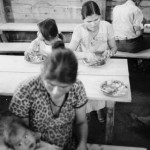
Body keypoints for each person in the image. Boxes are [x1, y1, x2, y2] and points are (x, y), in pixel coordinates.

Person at [9, 41, 88, 150]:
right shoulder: (26, 91)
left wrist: (82, 144)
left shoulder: (77, 87)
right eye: (51, 84)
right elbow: (20, 136)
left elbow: (81, 122)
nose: (56, 92)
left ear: (73, 81)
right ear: (42, 74)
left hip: (68, 145)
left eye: (64, 87)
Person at [69, 0, 117, 122]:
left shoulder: (107, 26)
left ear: (100, 16)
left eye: (96, 20)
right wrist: (86, 55)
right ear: (83, 19)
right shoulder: (79, 29)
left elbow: (114, 47)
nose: (93, 24)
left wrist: (110, 52)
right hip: (85, 64)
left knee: (102, 86)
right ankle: (87, 110)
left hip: (103, 64)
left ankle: (99, 109)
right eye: (88, 21)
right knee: (85, 86)